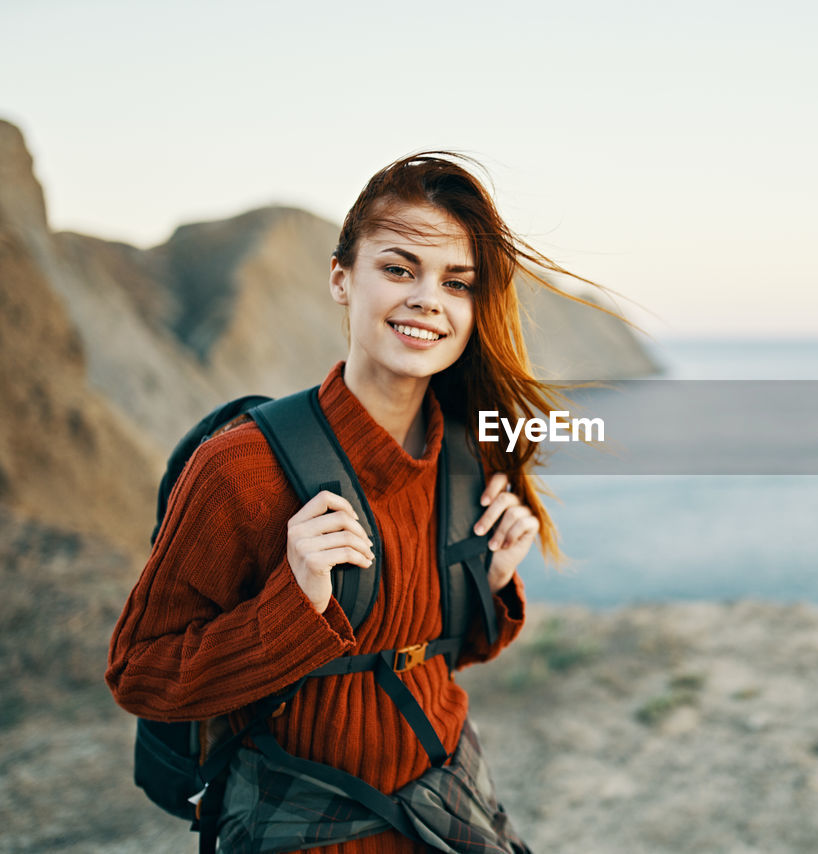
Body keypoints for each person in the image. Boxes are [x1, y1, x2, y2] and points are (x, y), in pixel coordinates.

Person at [106, 152, 594, 853]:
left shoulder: (468, 456)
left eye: (458, 283)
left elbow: (430, 658)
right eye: (399, 269)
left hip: (449, 815)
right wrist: (293, 604)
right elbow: (140, 675)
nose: (429, 299)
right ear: (342, 278)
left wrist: (486, 584)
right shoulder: (241, 469)